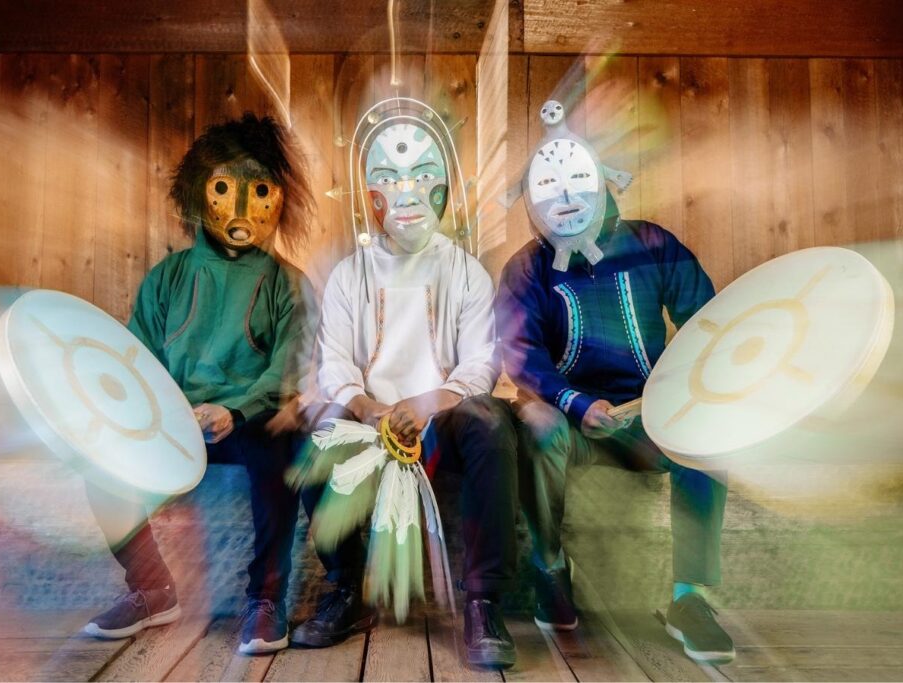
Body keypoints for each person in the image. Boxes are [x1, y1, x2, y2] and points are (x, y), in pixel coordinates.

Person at [496, 100, 733, 663]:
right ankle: (550, 572)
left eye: (578, 181)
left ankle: (689, 598)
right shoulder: (526, 270)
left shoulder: (652, 245)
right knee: (538, 425)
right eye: (550, 188)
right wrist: (576, 403)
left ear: (602, 181)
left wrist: (682, 395)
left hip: (650, 420)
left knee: (711, 438)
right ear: (533, 201)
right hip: (575, 424)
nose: (568, 198)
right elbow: (522, 354)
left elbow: (708, 321)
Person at [292, 101, 519, 668]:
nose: (406, 193)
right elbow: (336, 363)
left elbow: (479, 365)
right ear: (369, 194)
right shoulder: (351, 274)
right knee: (313, 433)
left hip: (444, 418)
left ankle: (483, 600)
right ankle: (345, 585)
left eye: (421, 177)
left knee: (492, 424)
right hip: (373, 419)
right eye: (389, 180)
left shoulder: (465, 270)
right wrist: (368, 408)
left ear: (442, 189)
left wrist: (426, 403)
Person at [82, 113, 314, 656]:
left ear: (279, 197)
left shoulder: (289, 284)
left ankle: (265, 599)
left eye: (257, 190)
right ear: (197, 194)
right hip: (171, 425)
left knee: (281, 450)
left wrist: (233, 410)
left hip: (248, 424)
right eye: (222, 189)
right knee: (99, 464)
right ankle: (152, 588)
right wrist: (157, 414)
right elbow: (132, 362)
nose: (238, 209)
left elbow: (286, 370)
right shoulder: (167, 277)